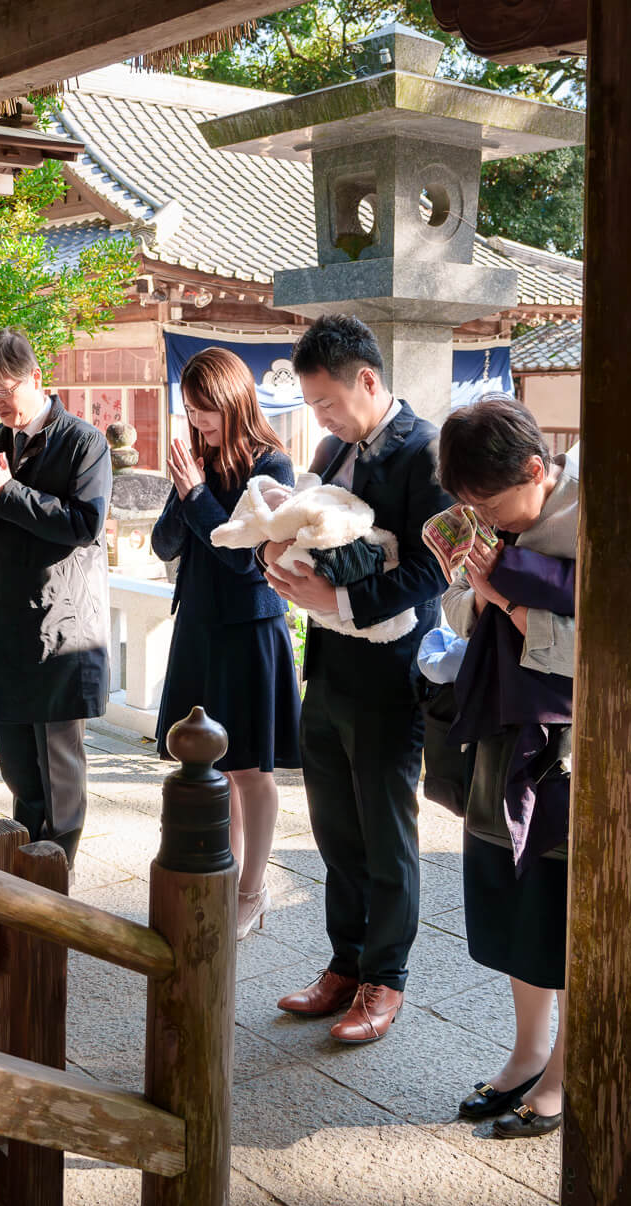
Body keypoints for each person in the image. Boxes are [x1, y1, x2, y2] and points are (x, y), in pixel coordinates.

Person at [266, 314, 452, 1045]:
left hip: (390, 664)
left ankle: (386, 979)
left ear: (368, 381)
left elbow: (434, 567)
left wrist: (339, 598)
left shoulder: (427, 451)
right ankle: (343, 962)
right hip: (330, 661)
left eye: (328, 403)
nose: (322, 418)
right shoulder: (332, 446)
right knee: (334, 826)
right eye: (315, 407)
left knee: (385, 828)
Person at [438, 396, 576, 1139]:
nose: (482, 516)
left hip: (564, 746)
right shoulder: (496, 527)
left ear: (535, 470)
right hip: (499, 729)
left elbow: (599, 651)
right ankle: (527, 1052)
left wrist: (503, 594)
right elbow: (461, 617)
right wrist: (477, 588)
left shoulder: (591, 521)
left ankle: (564, 1068)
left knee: (558, 905)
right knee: (513, 898)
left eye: (487, 500)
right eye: (468, 503)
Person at [151, 347, 301, 941]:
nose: (198, 422)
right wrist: (182, 488)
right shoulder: (199, 461)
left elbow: (247, 561)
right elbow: (167, 546)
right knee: (211, 763)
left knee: (250, 769)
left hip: (249, 628)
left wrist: (196, 498)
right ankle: (221, 876)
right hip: (199, 625)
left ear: (235, 401)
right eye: (190, 411)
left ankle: (253, 890)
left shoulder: (274, 466)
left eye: (206, 411)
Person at [0, 328, 112, 873]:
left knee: (60, 768)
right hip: (6, 626)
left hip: (61, 628)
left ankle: (55, 873)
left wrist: (9, 494)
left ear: (36, 378)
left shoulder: (84, 442)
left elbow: (83, 525)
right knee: (19, 766)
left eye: (5, 390)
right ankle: (26, 867)